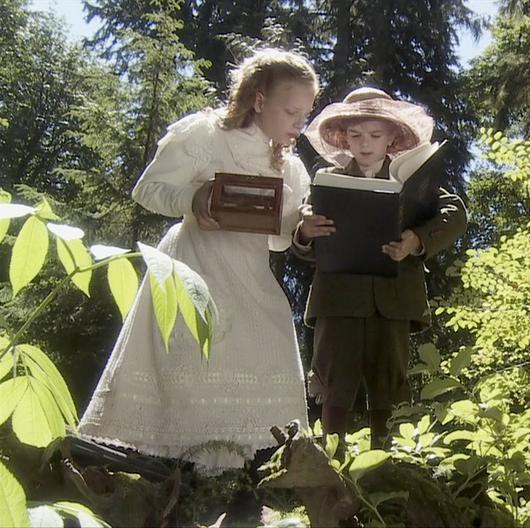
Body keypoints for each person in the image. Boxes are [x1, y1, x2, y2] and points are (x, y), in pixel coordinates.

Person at [78, 49, 318, 474]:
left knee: (266, 340)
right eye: (291, 111)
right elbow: (148, 189)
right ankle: (162, 467)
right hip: (191, 265)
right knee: (190, 353)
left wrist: (302, 229)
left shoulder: (291, 169)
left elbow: (280, 241)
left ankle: (234, 469)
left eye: (306, 113)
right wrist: (193, 198)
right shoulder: (204, 135)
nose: (300, 122)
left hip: (248, 272)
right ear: (259, 100)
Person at [294, 87, 467, 450]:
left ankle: (386, 464)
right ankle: (332, 465)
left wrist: (415, 240)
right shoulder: (326, 181)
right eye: (356, 135)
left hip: (394, 299)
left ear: (393, 137)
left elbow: (456, 214)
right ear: (343, 137)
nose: (365, 143)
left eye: (375, 135)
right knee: (334, 383)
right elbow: (309, 246)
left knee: (389, 383)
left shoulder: (412, 179)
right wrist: (306, 232)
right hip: (338, 300)